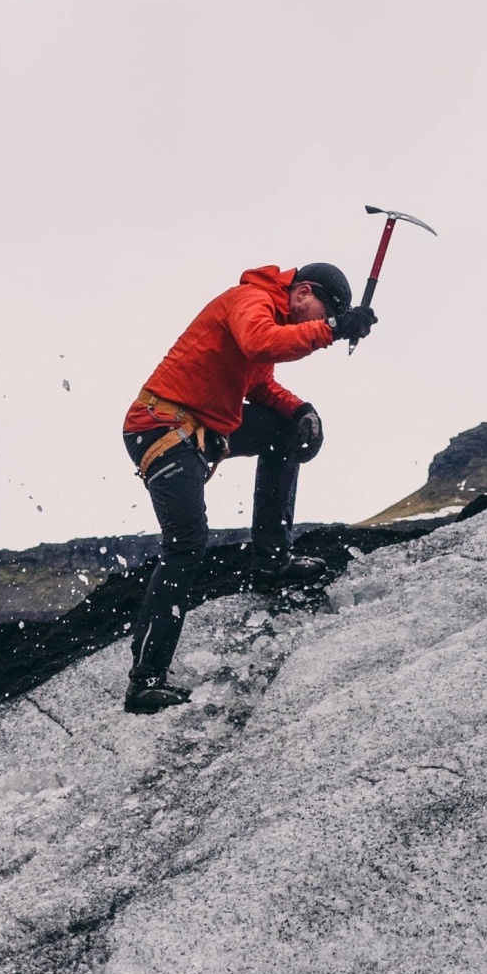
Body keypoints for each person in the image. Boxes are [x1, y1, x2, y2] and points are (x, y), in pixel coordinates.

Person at [122, 261, 376, 713]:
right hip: (160, 427)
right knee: (187, 544)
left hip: (200, 430)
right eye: (319, 312)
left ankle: (271, 560)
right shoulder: (251, 302)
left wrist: (302, 412)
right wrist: (334, 328)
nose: (317, 324)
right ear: (302, 293)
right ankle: (145, 681)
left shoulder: (273, 316)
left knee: (283, 429)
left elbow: (261, 385)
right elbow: (261, 342)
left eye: (323, 320)